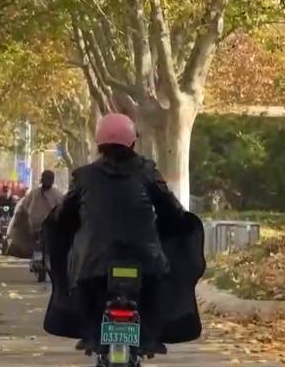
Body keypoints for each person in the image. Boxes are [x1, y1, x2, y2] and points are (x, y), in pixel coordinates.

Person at [47, 113, 187, 355]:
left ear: (99, 143)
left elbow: (64, 214)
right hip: (145, 259)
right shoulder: (147, 171)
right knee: (158, 286)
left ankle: (92, 335)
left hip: (94, 262)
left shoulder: (84, 176)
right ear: (132, 143)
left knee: (85, 290)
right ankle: (149, 337)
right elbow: (170, 208)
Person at [15, 170, 65, 236]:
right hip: (33, 228)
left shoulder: (57, 195)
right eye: (47, 177)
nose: (49, 180)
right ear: (42, 179)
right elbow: (24, 207)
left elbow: (61, 211)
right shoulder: (34, 193)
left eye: (50, 178)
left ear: (53, 180)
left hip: (50, 230)